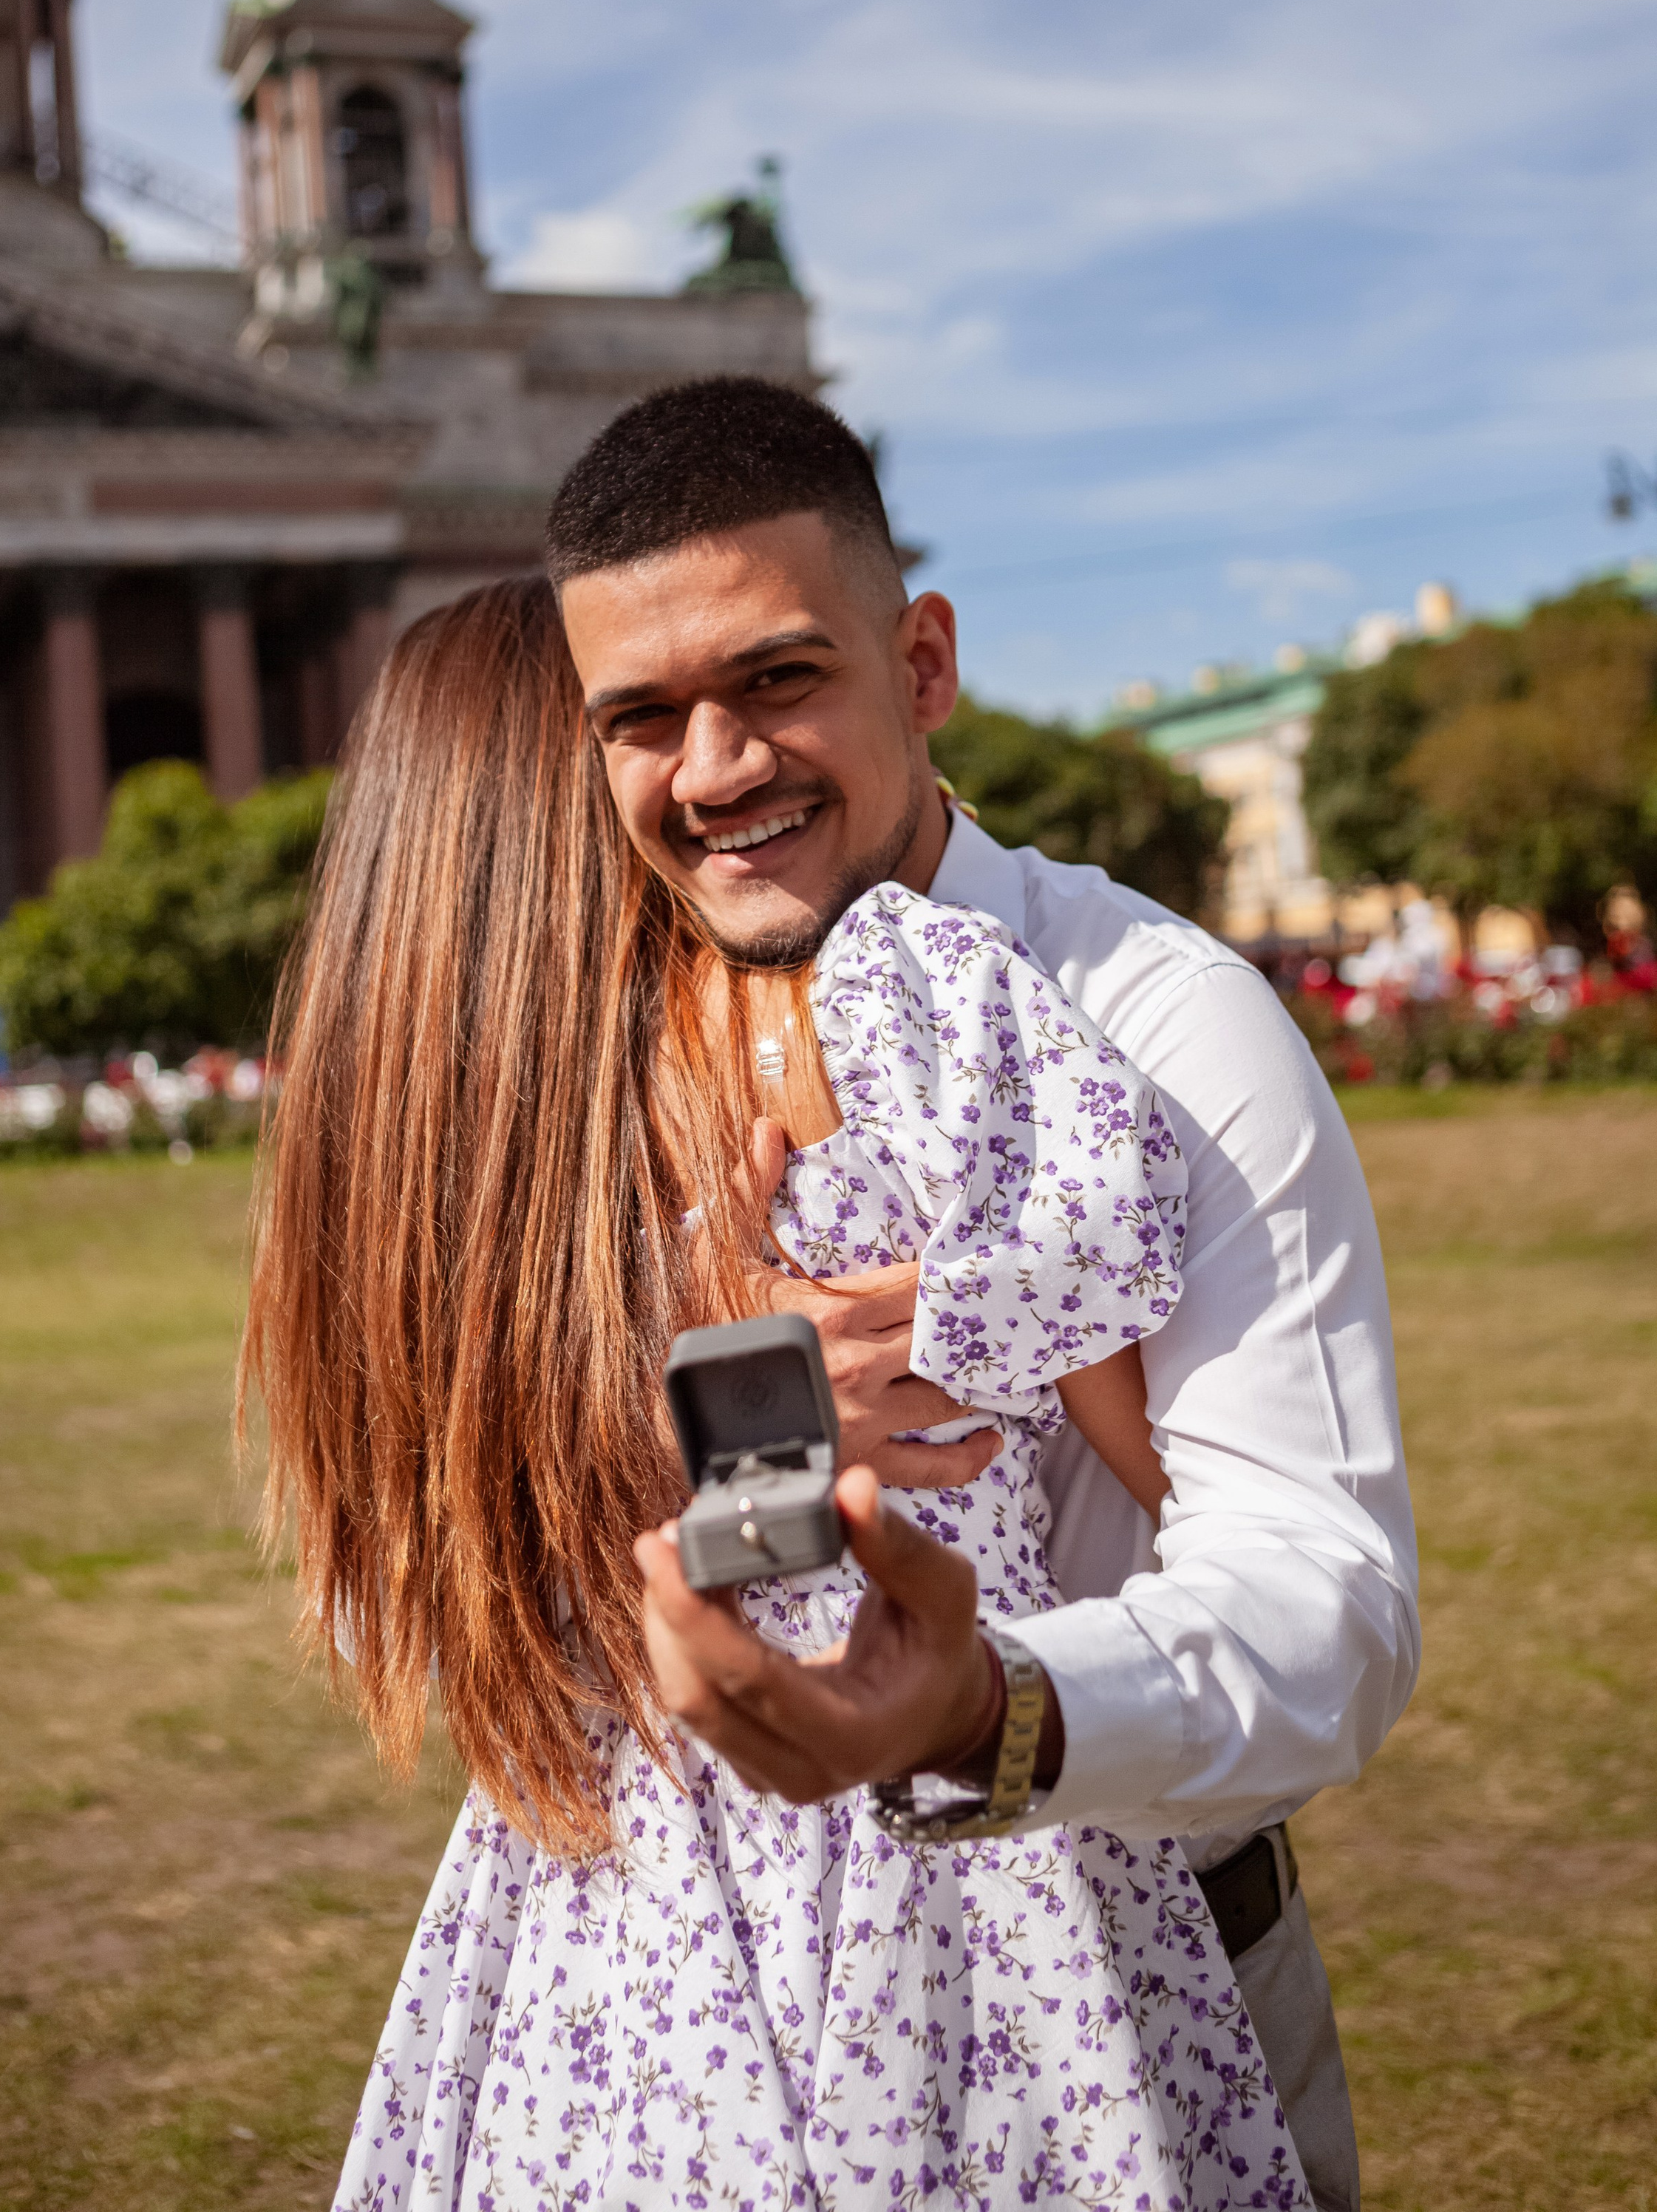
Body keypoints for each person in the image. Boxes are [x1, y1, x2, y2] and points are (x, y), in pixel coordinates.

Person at [245, 573, 1312, 2209]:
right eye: (639, 725)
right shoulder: (832, 1040)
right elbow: (1189, 1483)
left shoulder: (410, 1183)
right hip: (923, 1904)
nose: (702, 781)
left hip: (581, 1962)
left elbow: (381, 1623)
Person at [546, 378, 1419, 2212]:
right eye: (641, 716)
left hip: (1151, 1983)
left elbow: (1316, 1609)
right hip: (733, 2024)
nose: (711, 769)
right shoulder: (610, 1050)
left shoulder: (1167, 1028)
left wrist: (975, 1707)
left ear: (920, 663)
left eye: (777, 680)